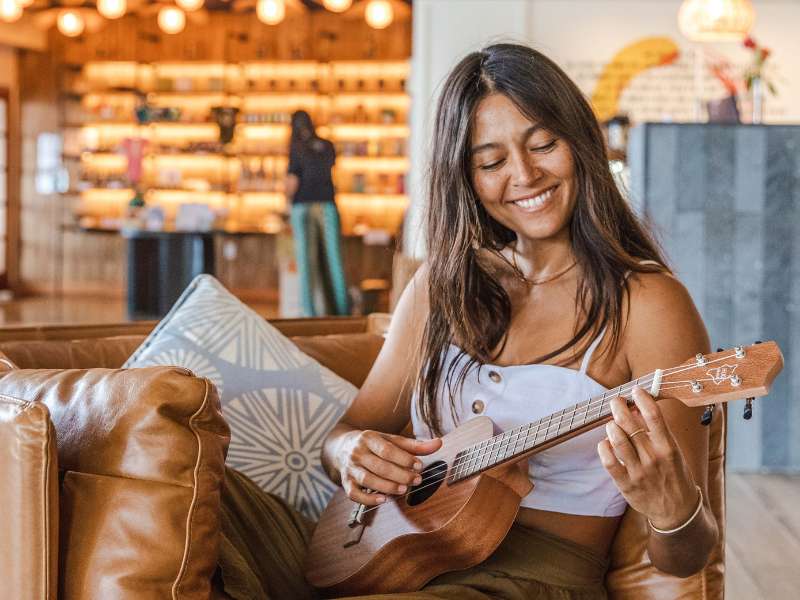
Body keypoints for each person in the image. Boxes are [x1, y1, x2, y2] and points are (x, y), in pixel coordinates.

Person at [215, 43, 718, 599]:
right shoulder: (443, 283)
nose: (524, 175)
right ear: (466, 176)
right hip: (396, 547)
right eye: (491, 161)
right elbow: (341, 434)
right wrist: (350, 452)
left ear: (581, 144)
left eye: (543, 144)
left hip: (527, 579)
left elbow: (688, 555)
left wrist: (672, 508)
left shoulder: (647, 303)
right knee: (197, 485)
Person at [286, 110, 350, 316]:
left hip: (302, 207)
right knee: (335, 262)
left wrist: (286, 202)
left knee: (307, 263)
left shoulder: (296, 147)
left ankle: (309, 314)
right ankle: (343, 312)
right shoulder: (328, 145)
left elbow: (292, 182)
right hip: (328, 206)